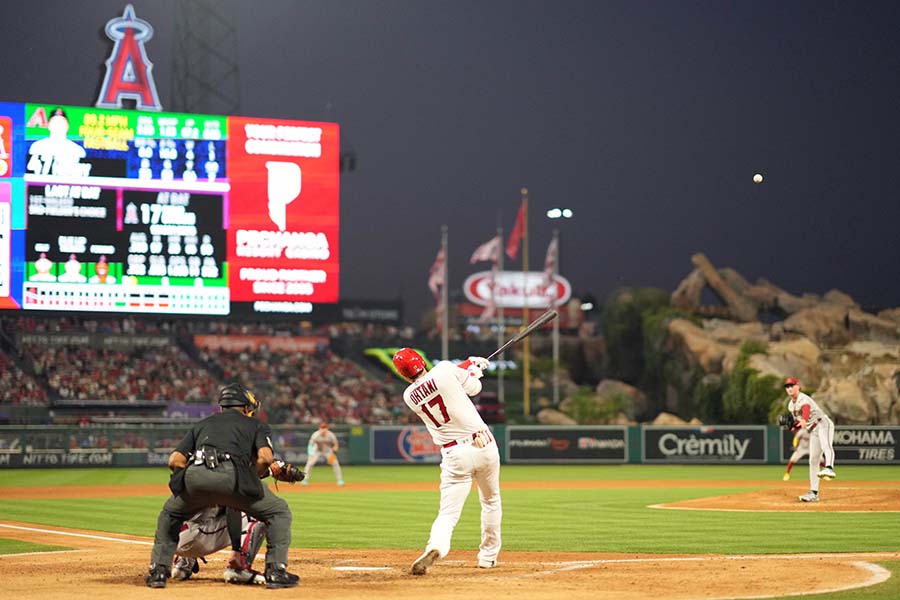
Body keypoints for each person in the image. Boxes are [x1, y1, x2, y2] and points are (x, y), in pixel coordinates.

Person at [145, 382, 299, 589]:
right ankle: (274, 572)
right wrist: (254, 477)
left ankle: (158, 572)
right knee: (278, 512)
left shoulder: (202, 424)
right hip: (232, 476)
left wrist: (187, 481)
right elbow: (264, 458)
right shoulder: (256, 425)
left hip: (194, 475)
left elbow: (174, 460)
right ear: (246, 408)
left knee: (170, 514)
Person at [392, 348, 501, 575]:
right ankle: (487, 558)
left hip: (454, 455)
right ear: (421, 361)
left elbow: (441, 378)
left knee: (448, 514)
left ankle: (436, 547)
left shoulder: (409, 396)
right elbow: (474, 388)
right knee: (490, 501)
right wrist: (475, 371)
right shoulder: (443, 369)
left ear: (403, 374)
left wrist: (468, 364)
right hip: (483, 444)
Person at [171, 506, 267, 585]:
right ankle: (240, 567)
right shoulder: (228, 482)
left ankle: (184, 563)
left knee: (205, 510)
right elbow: (232, 508)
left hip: (173, 537)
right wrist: (236, 548)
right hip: (193, 538)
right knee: (259, 513)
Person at [784, 377, 837, 502]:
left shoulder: (803, 398)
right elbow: (798, 422)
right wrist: (792, 426)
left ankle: (829, 468)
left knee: (826, 445)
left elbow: (806, 410)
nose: (790, 388)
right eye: (787, 386)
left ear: (798, 387)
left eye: (792, 385)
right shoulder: (791, 405)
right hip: (813, 430)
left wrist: (803, 420)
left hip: (823, 423)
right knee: (813, 460)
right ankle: (814, 493)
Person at [27, 107, 87, 177]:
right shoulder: (38, 146)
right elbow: (30, 175)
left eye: (62, 122)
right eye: (55, 122)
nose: (58, 125)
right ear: (49, 125)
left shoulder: (78, 150)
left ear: (68, 126)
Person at [302, 422, 344, 486]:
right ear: (319, 428)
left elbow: (335, 444)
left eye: (324, 428)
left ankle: (340, 480)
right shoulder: (315, 435)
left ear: (327, 428)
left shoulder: (331, 435)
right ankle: (305, 479)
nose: (323, 429)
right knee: (310, 463)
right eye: (322, 428)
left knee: (335, 463)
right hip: (317, 451)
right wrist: (311, 453)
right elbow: (310, 445)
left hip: (328, 451)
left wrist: (334, 450)